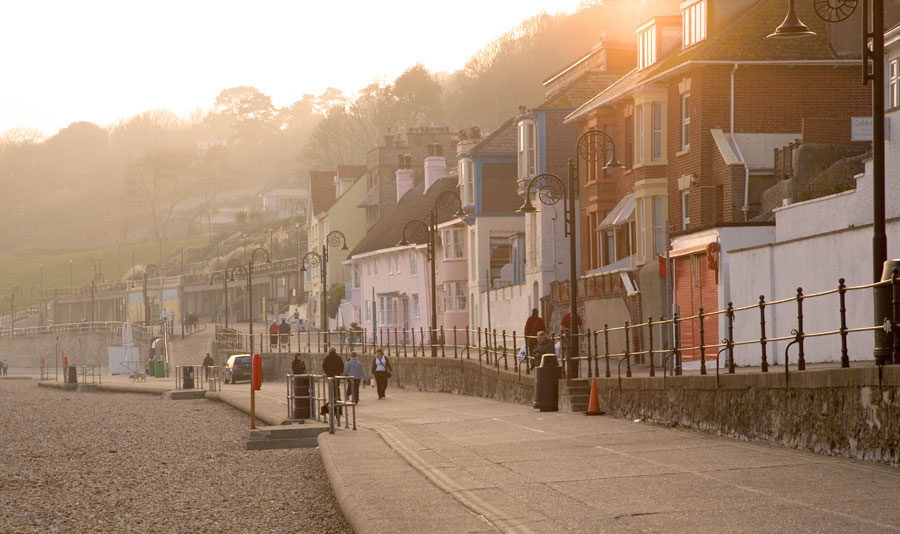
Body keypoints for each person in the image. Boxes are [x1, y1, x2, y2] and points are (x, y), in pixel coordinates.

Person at [322, 348, 344, 418]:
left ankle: (332, 398)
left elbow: (324, 366)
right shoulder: (338, 358)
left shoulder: (327, 358)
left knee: (331, 389)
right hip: (336, 376)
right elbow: (342, 366)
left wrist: (326, 372)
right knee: (337, 388)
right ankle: (337, 398)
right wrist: (339, 372)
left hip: (329, 376)